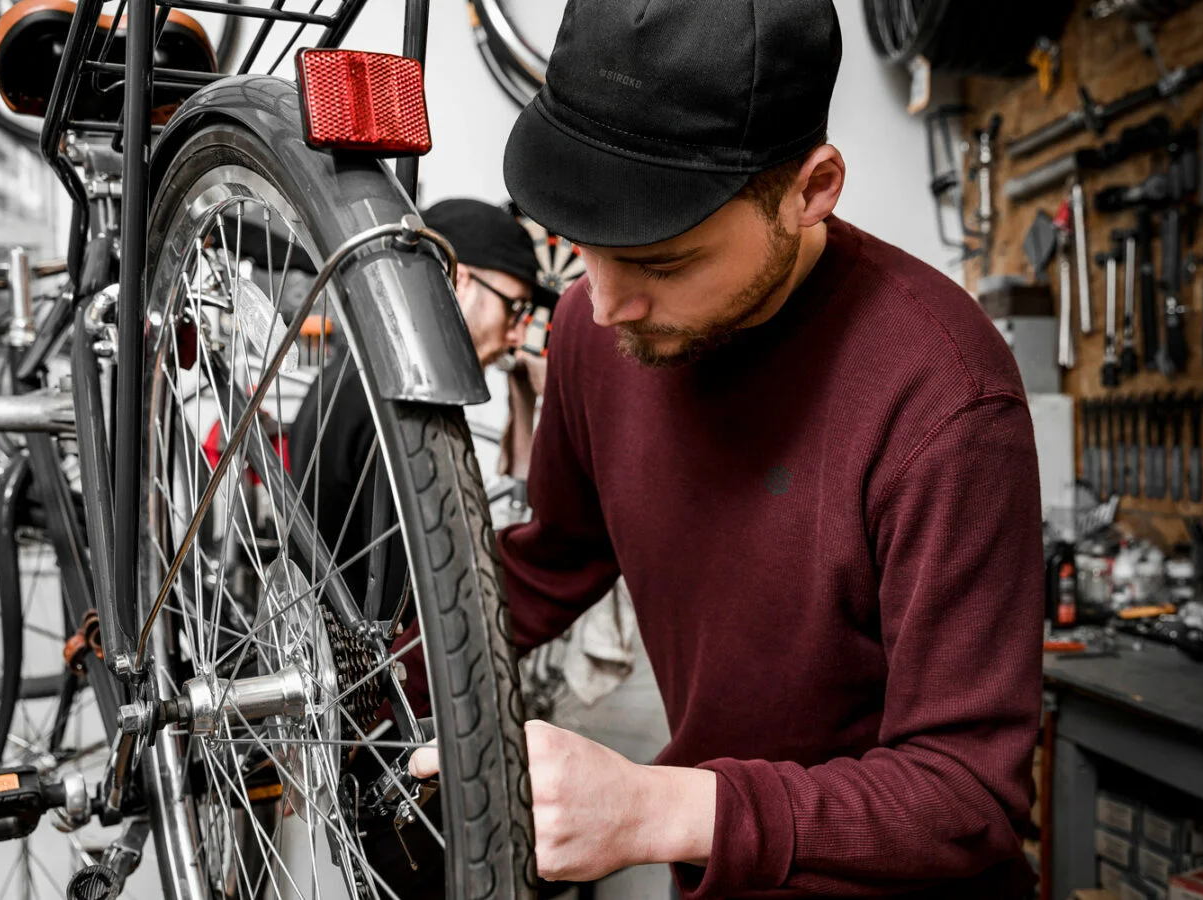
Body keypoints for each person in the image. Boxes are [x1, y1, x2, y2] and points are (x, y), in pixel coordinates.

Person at [409, 1, 1045, 896]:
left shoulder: (943, 394)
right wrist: (352, 660)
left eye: (663, 263)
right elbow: (553, 562)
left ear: (812, 188)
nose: (606, 305)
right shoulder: (601, 333)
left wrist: (655, 811)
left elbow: (968, 793)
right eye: (585, 250)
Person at [289, 198, 546, 607]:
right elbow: (435, 600)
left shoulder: (362, 373)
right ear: (459, 280)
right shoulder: (400, 399)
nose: (516, 337)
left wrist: (523, 401)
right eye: (514, 308)